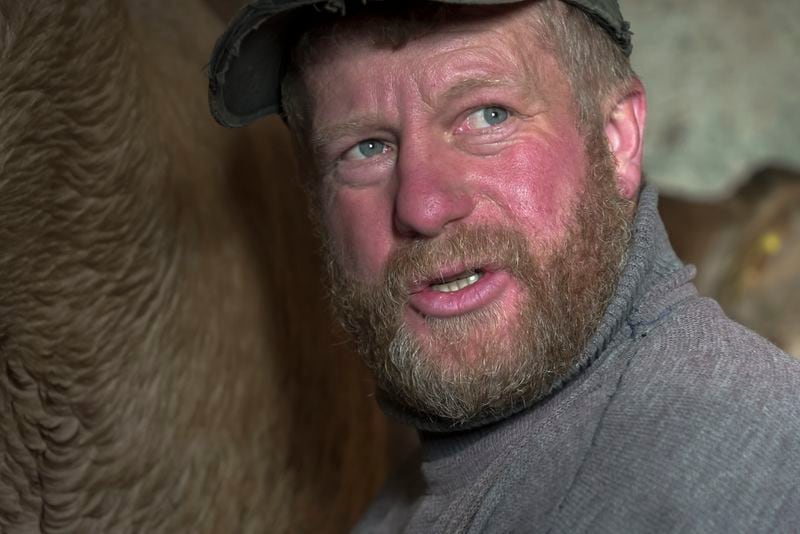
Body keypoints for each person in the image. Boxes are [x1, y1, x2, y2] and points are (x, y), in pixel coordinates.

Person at [207, 1, 800, 531]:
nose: (422, 206)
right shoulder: (403, 506)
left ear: (617, 139)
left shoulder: (763, 468)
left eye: (488, 116)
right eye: (366, 148)